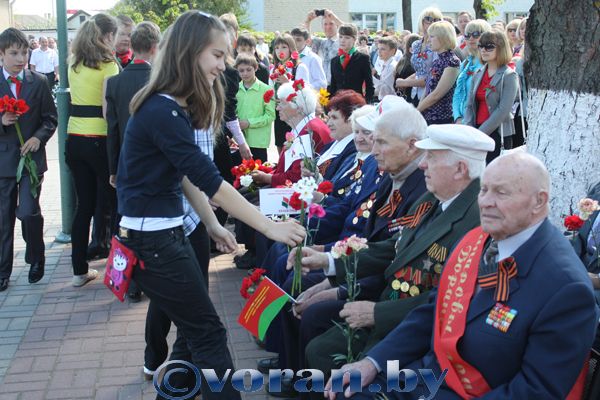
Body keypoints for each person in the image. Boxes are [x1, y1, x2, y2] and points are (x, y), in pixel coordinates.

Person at [116, 11, 305, 399]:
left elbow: (183, 175)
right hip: (154, 241)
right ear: (190, 52)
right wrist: (269, 227)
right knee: (209, 336)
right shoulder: (163, 110)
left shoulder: (170, 107)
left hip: (164, 236)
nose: (224, 65)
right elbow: (210, 182)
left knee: (192, 336)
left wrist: (214, 224)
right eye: (218, 55)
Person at [327, 152, 599, 400]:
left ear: (539, 201)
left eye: (501, 193)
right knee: (344, 390)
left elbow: (537, 390)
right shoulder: (477, 241)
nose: (486, 202)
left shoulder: (566, 288)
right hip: (426, 379)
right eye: (484, 190)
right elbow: (433, 311)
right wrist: (372, 363)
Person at [300, 124, 490, 386]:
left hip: (418, 329)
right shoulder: (433, 199)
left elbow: (452, 299)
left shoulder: (477, 220)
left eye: (432, 157)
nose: (422, 164)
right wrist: (329, 260)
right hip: (391, 308)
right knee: (319, 350)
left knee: (327, 357)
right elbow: (394, 247)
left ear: (460, 169)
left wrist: (379, 313)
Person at [105, 21, 161, 302]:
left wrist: (113, 168)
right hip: (157, 162)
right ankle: (154, 277)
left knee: (128, 222)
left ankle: (130, 282)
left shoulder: (116, 82)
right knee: (155, 222)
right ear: (154, 47)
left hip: (127, 163)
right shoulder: (161, 80)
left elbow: (112, 129)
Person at [0, 28, 58, 292]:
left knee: (27, 212)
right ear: (2, 54)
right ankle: (3, 271)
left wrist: (38, 137)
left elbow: (50, 118)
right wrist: (2, 122)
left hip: (31, 161)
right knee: (4, 218)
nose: (20, 58)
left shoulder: (39, 82)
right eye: (14, 53)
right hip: (3, 162)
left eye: (24, 53)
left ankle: (36, 257)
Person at [66, 13, 120, 287]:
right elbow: (108, 109)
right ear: (107, 36)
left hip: (74, 138)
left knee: (84, 206)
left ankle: (79, 271)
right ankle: (120, 272)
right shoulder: (109, 65)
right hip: (99, 139)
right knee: (116, 203)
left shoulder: (73, 63)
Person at [463, 30, 518, 163]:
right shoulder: (478, 73)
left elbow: (503, 110)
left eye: (489, 46)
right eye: (481, 46)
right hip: (476, 131)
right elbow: (469, 104)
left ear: (501, 48)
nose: (483, 50)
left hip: (498, 133)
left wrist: (480, 133)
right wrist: (470, 130)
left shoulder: (509, 75)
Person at [269, 33, 310, 153]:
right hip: (280, 113)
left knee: (296, 148)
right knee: (281, 147)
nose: (280, 51)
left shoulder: (300, 68)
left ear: (291, 49)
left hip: (296, 114)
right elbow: (270, 91)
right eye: (277, 48)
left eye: (284, 47)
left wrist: (287, 82)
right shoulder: (273, 69)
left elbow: (305, 93)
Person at [395, 7, 443, 107]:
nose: (433, 23)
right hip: (415, 94)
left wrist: (405, 83)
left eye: (437, 20)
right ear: (422, 22)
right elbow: (420, 71)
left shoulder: (439, 45)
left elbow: (433, 77)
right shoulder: (416, 44)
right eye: (428, 19)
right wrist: (404, 81)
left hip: (431, 96)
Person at [417, 21, 460, 125]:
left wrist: (416, 111)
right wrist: (419, 110)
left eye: (432, 36)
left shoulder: (452, 61)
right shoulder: (437, 61)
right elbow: (428, 89)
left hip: (441, 119)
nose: (428, 40)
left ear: (443, 37)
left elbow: (437, 94)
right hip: (428, 116)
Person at [235, 53, 276, 163]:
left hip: (258, 143)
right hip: (239, 141)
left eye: (249, 70)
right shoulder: (235, 89)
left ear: (256, 68)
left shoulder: (266, 90)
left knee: (259, 172)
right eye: (241, 70)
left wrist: (249, 123)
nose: (245, 73)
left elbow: (270, 116)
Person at [452, 19, 492, 123]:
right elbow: (458, 92)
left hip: (480, 121)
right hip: (462, 121)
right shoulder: (466, 63)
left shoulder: (489, 64)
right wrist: (457, 117)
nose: (471, 38)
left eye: (476, 34)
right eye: (467, 35)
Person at [329, 24, 374, 103]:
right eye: (340, 37)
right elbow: (333, 85)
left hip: (357, 104)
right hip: (339, 105)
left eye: (347, 37)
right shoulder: (334, 61)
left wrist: (366, 103)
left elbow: (369, 85)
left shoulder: (363, 58)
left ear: (354, 39)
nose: (342, 40)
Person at [304, 9, 344, 85]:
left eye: (331, 24)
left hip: (338, 84)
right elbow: (306, 38)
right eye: (325, 24)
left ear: (337, 26)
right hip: (322, 85)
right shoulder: (320, 42)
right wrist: (308, 21)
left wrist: (335, 18)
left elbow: (349, 32)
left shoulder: (342, 41)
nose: (328, 27)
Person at [394, 34, 419, 101]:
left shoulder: (403, 60)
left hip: (402, 98)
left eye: (404, 43)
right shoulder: (412, 64)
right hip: (409, 98)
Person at [372, 36, 398, 101]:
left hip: (390, 101)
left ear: (392, 51)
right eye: (378, 48)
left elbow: (385, 89)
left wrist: (369, 77)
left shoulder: (392, 66)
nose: (379, 51)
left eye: (383, 49)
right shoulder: (385, 64)